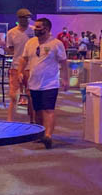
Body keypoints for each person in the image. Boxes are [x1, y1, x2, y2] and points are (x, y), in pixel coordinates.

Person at [18, 17, 67, 148]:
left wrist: (65, 79)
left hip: (50, 83)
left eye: (38, 27)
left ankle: (48, 136)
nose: (36, 29)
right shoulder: (30, 43)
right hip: (34, 83)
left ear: (47, 29)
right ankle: (41, 134)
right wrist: (20, 72)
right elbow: (23, 59)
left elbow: (63, 62)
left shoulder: (56, 44)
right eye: (35, 27)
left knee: (48, 109)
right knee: (37, 110)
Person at [6, 9, 34, 122]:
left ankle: (33, 120)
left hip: (31, 67)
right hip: (16, 67)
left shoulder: (33, 31)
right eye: (24, 18)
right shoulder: (11, 33)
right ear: (19, 19)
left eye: (28, 17)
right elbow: (10, 49)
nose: (27, 20)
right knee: (13, 96)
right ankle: (10, 121)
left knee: (31, 95)